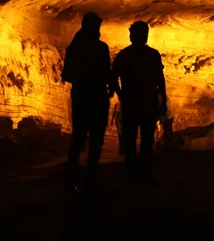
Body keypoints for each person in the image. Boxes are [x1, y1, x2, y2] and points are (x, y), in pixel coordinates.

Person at [62, 12, 114, 194]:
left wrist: (82, 78)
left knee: (78, 139)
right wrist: (111, 86)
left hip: (81, 96)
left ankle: (71, 180)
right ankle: (91, 180)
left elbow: (66, 74)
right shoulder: (100, 48)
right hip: (97, 97)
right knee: (96, 140)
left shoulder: (74, 49)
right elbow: (107, 72)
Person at [112, 21, 167, 183]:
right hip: (148, 102)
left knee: (130, 140)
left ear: (131, 36)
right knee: (147, 140)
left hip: (131, 102)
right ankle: (145, 174)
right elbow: (160, 79)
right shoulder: (153, 55)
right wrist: (162, 98)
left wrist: (120, 94)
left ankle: (131, 175)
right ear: (145, 36)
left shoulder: (123, 55)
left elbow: (113, 77)